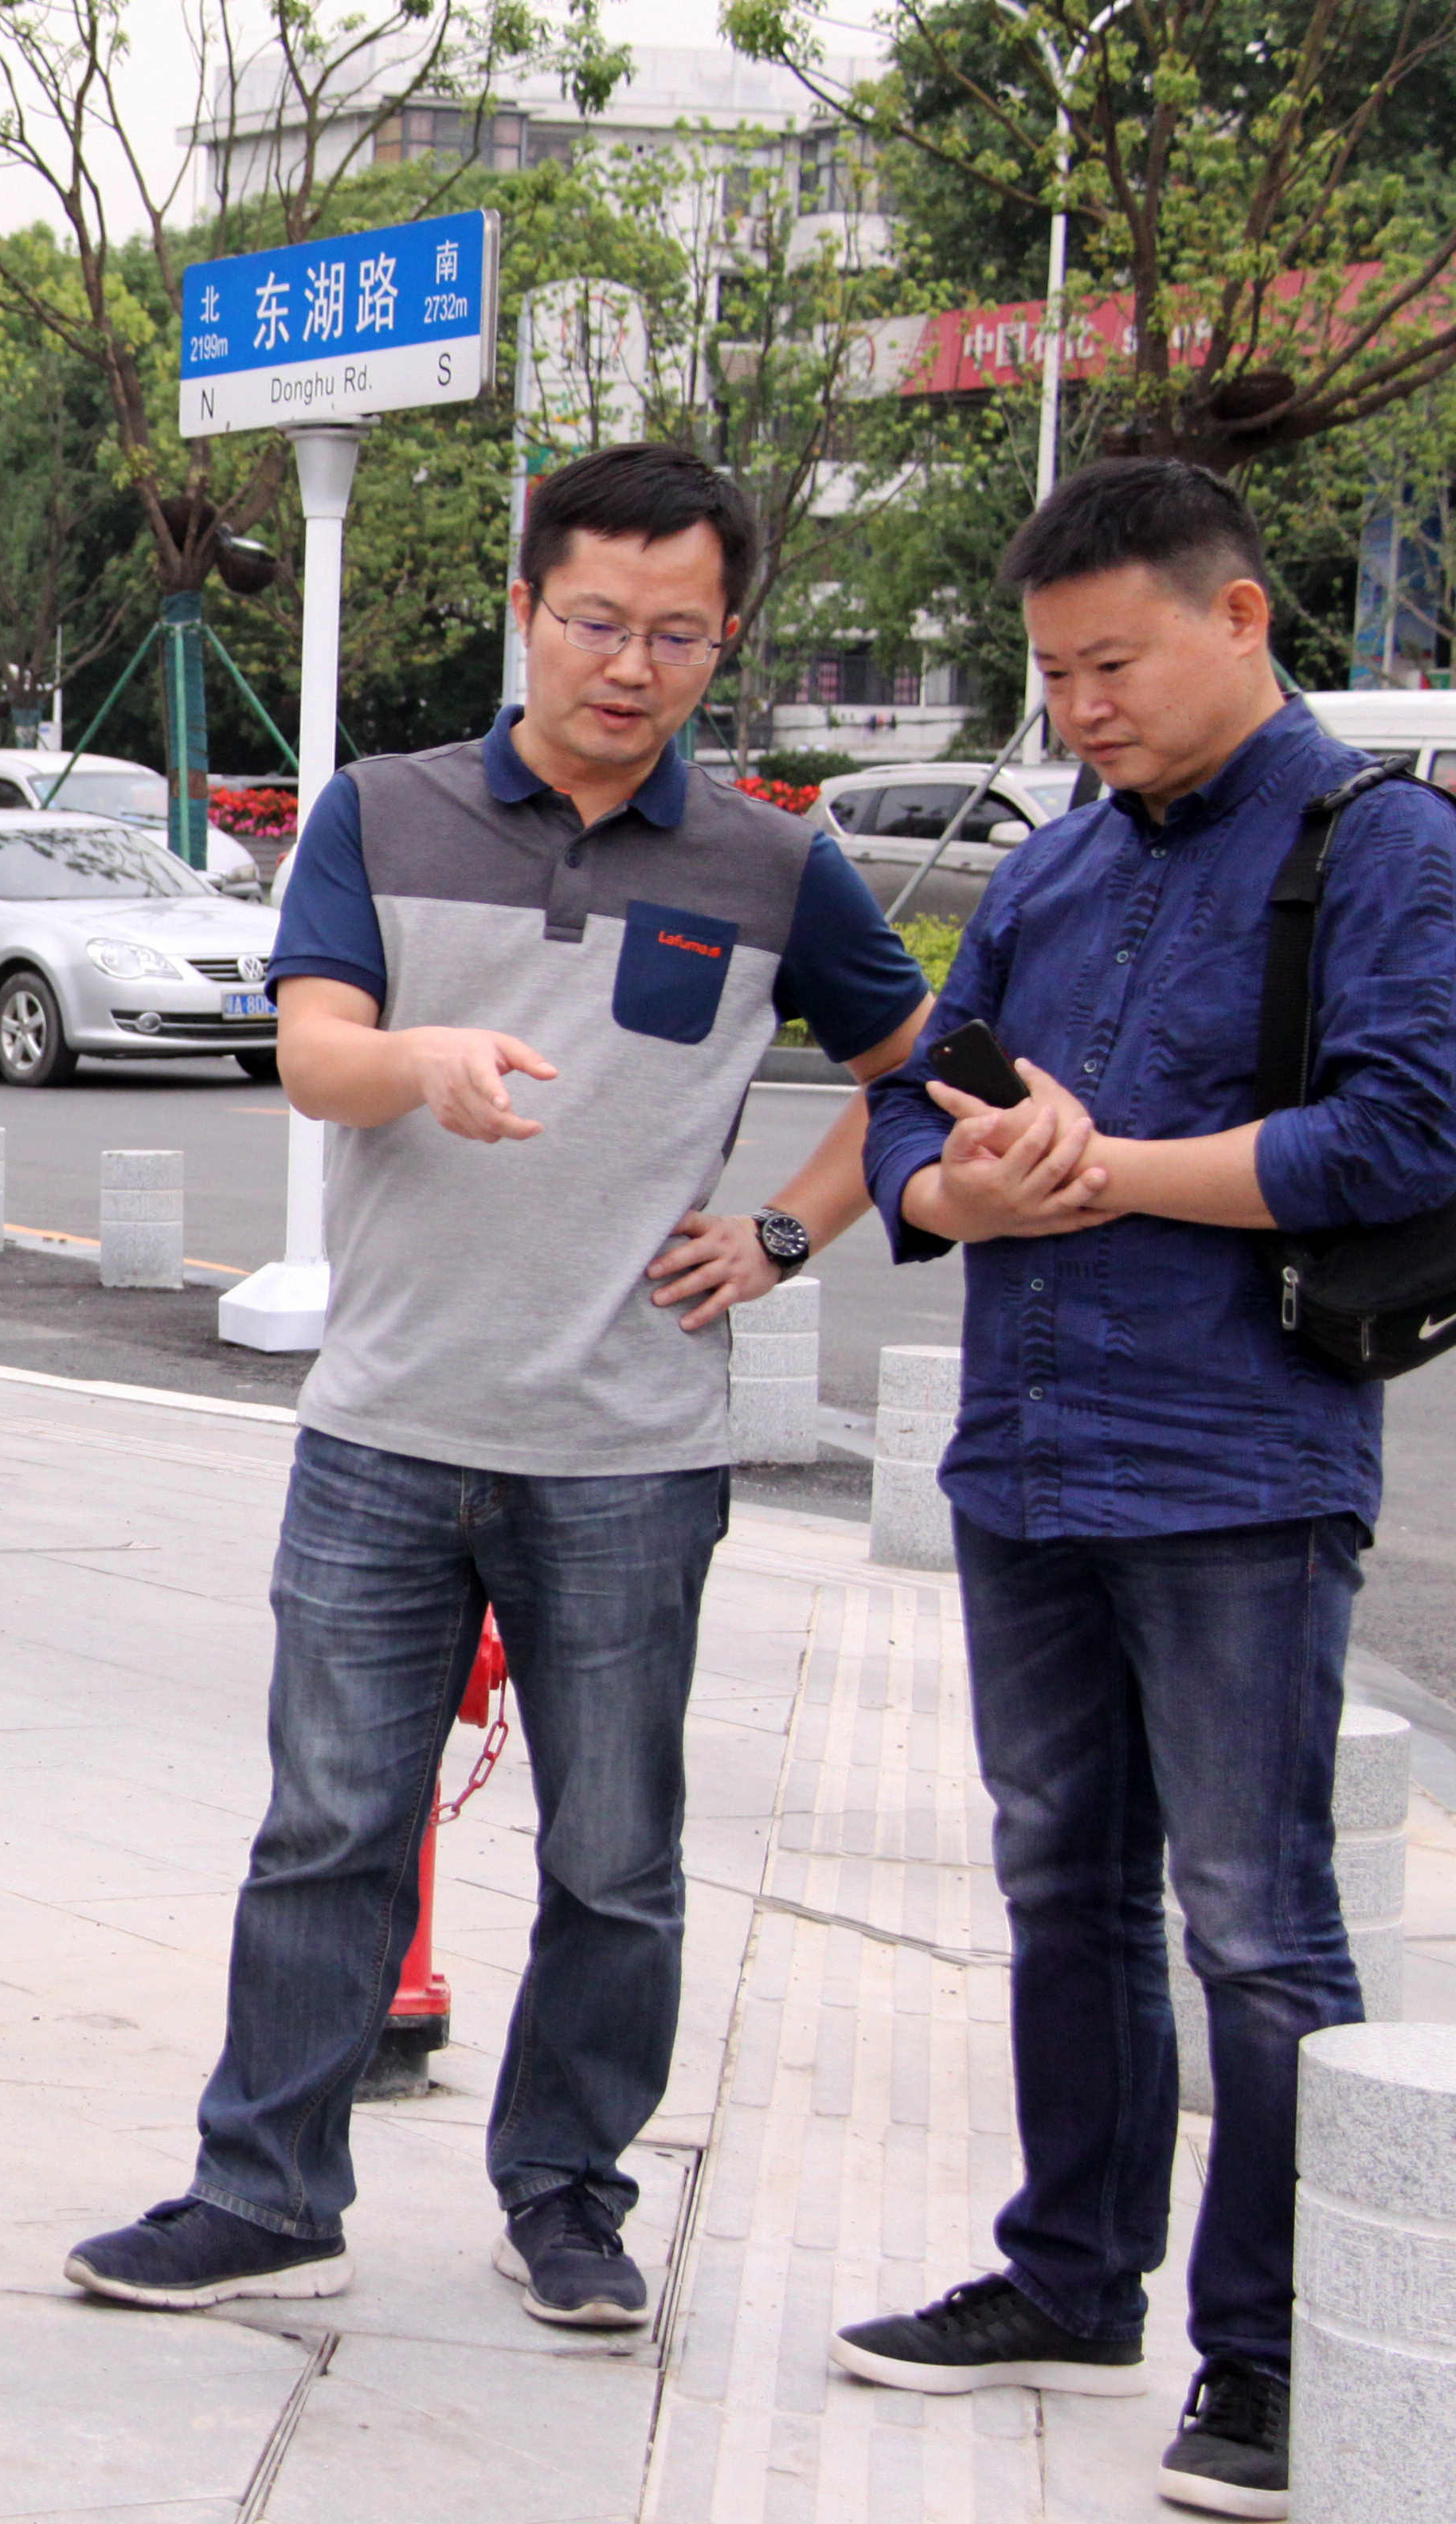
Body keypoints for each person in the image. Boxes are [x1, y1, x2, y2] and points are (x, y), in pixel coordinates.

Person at [65, 444, 933, 2327]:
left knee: (616, 1859)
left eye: (678, 634)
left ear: (725, 641)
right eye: (597, 621)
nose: (631, 665)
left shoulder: (775, 865)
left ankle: (568, 2199)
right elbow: (314, 1054)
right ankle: (264, 2191)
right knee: (328, 1831)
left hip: (631, 1450)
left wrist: (784, 1234)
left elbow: (918, 1075)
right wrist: (426, 1062)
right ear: (527, 610)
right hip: (385, 1429)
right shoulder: (384, 811)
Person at [834, 461, 1456, 2521]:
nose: (1083, 708)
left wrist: (1111, 1173)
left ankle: (1269, 2360)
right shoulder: (1059, 866)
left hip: (1236, 1459)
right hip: (1027, 1448)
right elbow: (921, 1123)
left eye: (1113, 664)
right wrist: (960, 1186)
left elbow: (1404, 1137)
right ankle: (1070, 2275)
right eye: (1056, 675)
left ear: (1241, 615)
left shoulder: (1381, 847)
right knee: (1061, 1883)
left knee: (1256, 1921)